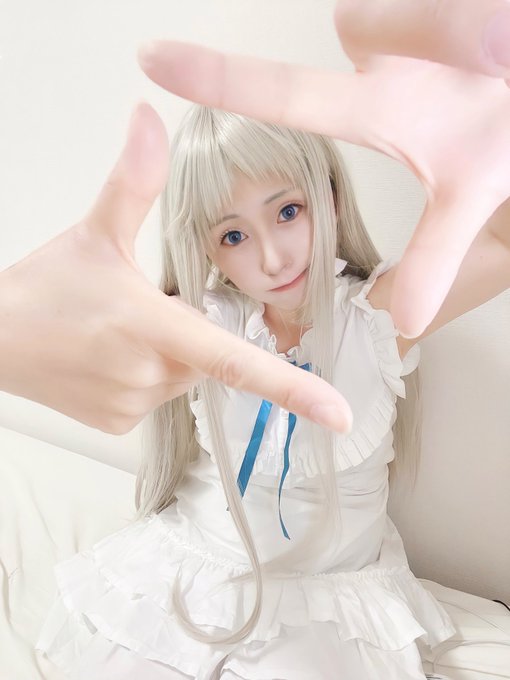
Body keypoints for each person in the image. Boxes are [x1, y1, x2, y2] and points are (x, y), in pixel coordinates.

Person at [34, 103, 510, 680]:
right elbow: (83, 348)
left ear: (330, 197)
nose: (273, 258)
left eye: (288, 211)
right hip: (194, 567)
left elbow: (500, 242)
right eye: (233, 235)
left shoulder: (377, 319)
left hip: (329, 600)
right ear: (206, 249)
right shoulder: (207, 322)